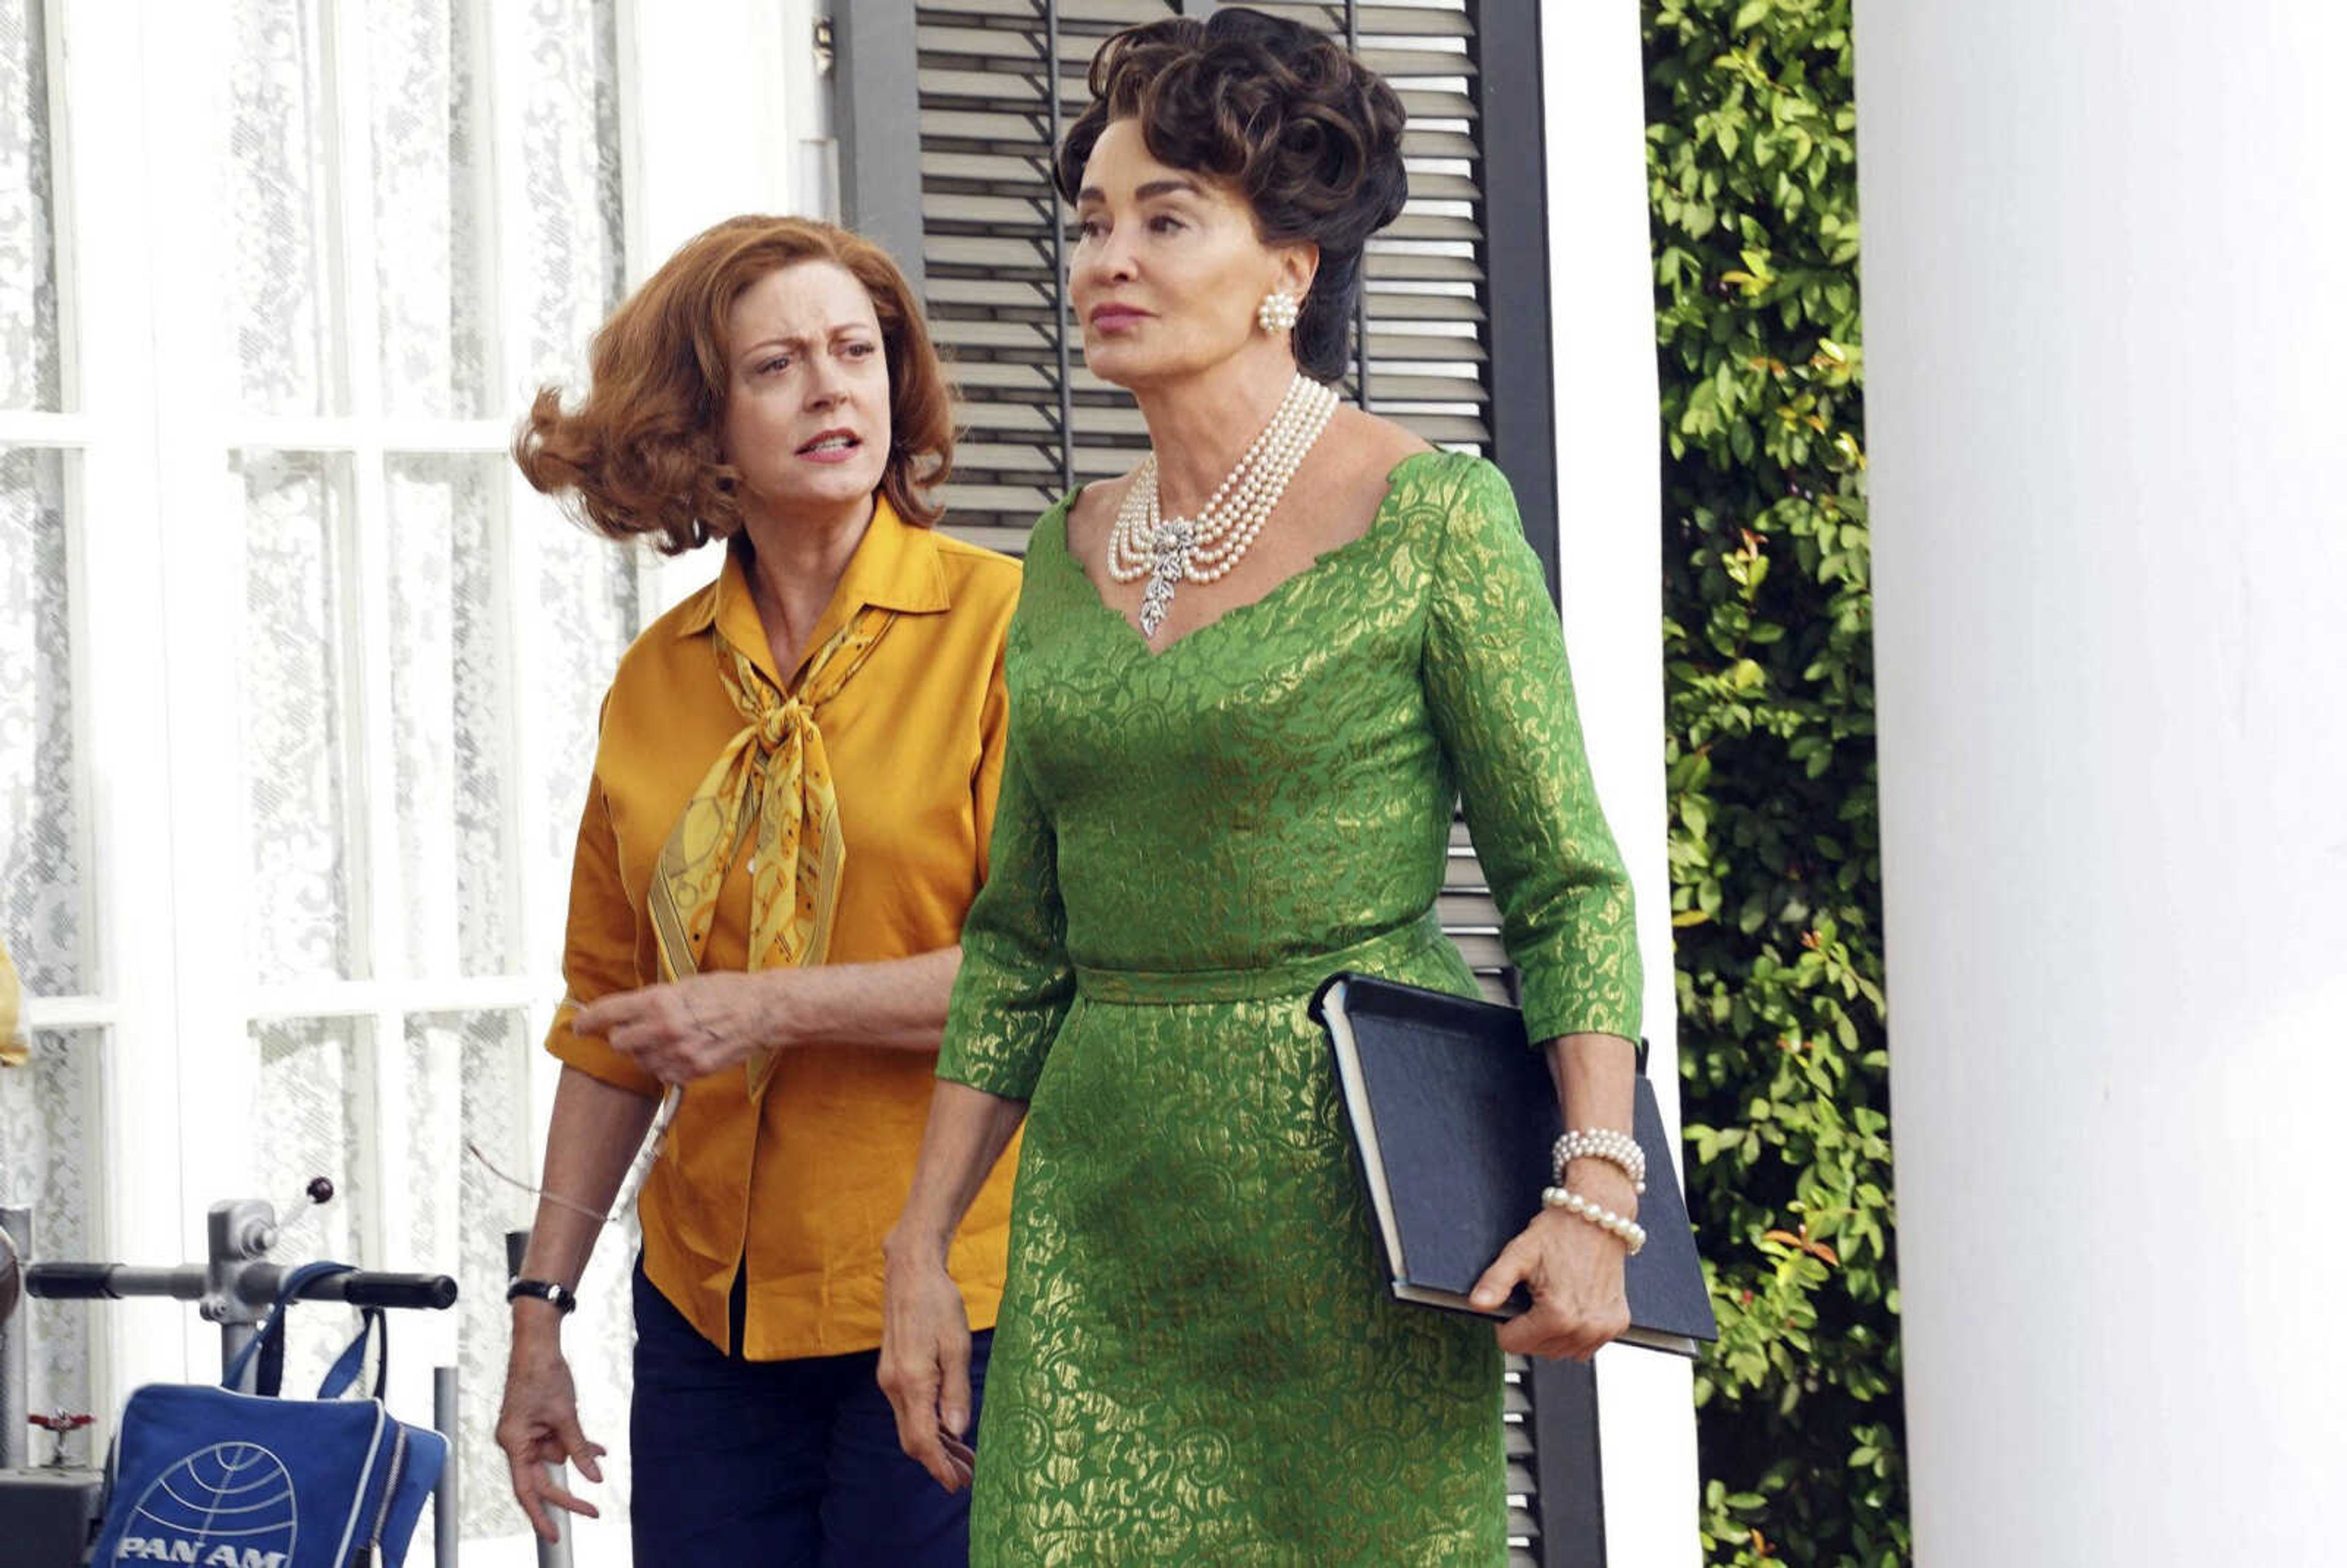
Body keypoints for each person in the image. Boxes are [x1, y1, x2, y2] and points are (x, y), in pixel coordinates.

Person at [877, 10, 1648, 1563]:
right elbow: (1022, 937)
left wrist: (1597, 1188)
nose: (1109, 259)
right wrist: (919, 1239)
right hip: (1101, 1221)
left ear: (1287, 270)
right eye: (1093, 221)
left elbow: (1567, 880)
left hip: (1352, 1205)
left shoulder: (1431, 518)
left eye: (1167, 219)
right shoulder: (1063, 551)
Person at [493, 215, 1023, 1566]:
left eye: (858, 351)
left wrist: (764, 1007)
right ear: (701, 425)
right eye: (778, 364)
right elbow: (606, 1025)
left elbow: (1040, 972)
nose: (833, 388)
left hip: (953, 1293)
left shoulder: (1010, 630)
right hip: (705, 1321)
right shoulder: (655, 681)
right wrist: (540, 1316)